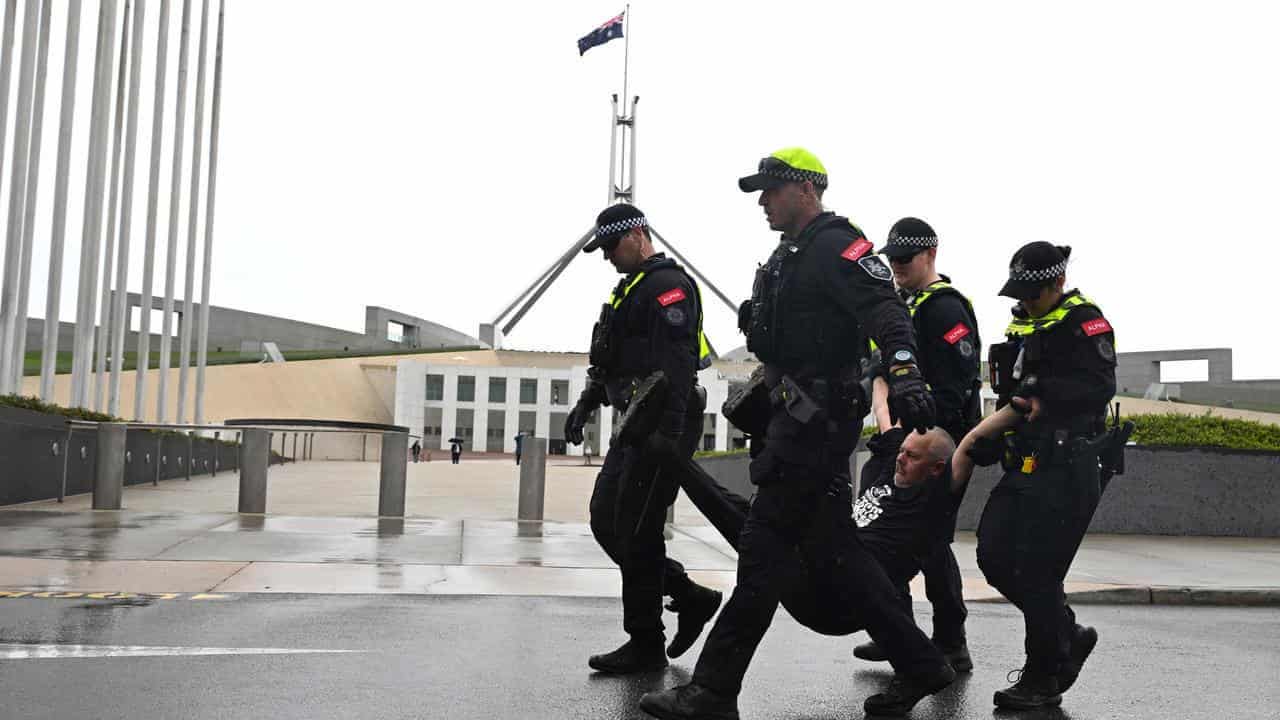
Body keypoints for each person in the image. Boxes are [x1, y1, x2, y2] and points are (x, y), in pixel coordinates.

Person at [640, 148, 953, 720]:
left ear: (806, 189)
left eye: (771, 190)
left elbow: (885, 308)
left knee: (762, 554)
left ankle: (713, 690)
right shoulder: (792, 254)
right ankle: (922, 664)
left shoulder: (838, 244)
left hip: (815, 427)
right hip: (795, 421)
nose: (762, 201)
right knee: (842, 556)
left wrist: (905, 367)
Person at [566, 203, 723, 674]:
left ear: (638, 234)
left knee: (636, 529)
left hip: (663, 421)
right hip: (636, 420)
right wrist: (587, 402)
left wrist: (667, 435)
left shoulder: (668, 285)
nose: (608, 256)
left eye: (612, 245)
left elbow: (677, 365)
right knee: (606, 520)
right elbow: (612, 358)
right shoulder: (628, 288)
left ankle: (645, 642)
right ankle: (687, 594)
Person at [977, 241, 1116, 709]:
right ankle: (1067, 634)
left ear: (1058, 282)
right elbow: (1012, 387)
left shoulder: (1084, 321)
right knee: (993, 557)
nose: (1026, 300)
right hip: (1024, 462)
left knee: (1039, 573)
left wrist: (1044, 395)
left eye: (1034, 292)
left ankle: (1042, 675)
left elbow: (1099, 386)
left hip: (1069, 465)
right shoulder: (1023, 321)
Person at [855, 217, 982, 671]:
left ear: (930, 254)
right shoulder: (905, 305)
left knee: (928, 542)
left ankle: (950, 641)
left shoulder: (944, 308)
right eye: (891, 259)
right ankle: (899, 634)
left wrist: (925, 440)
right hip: (903, 440)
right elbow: (882, 371)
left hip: (936, 445)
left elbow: (956, 382)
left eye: (904, 259)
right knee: (893, 536)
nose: (896, 267)